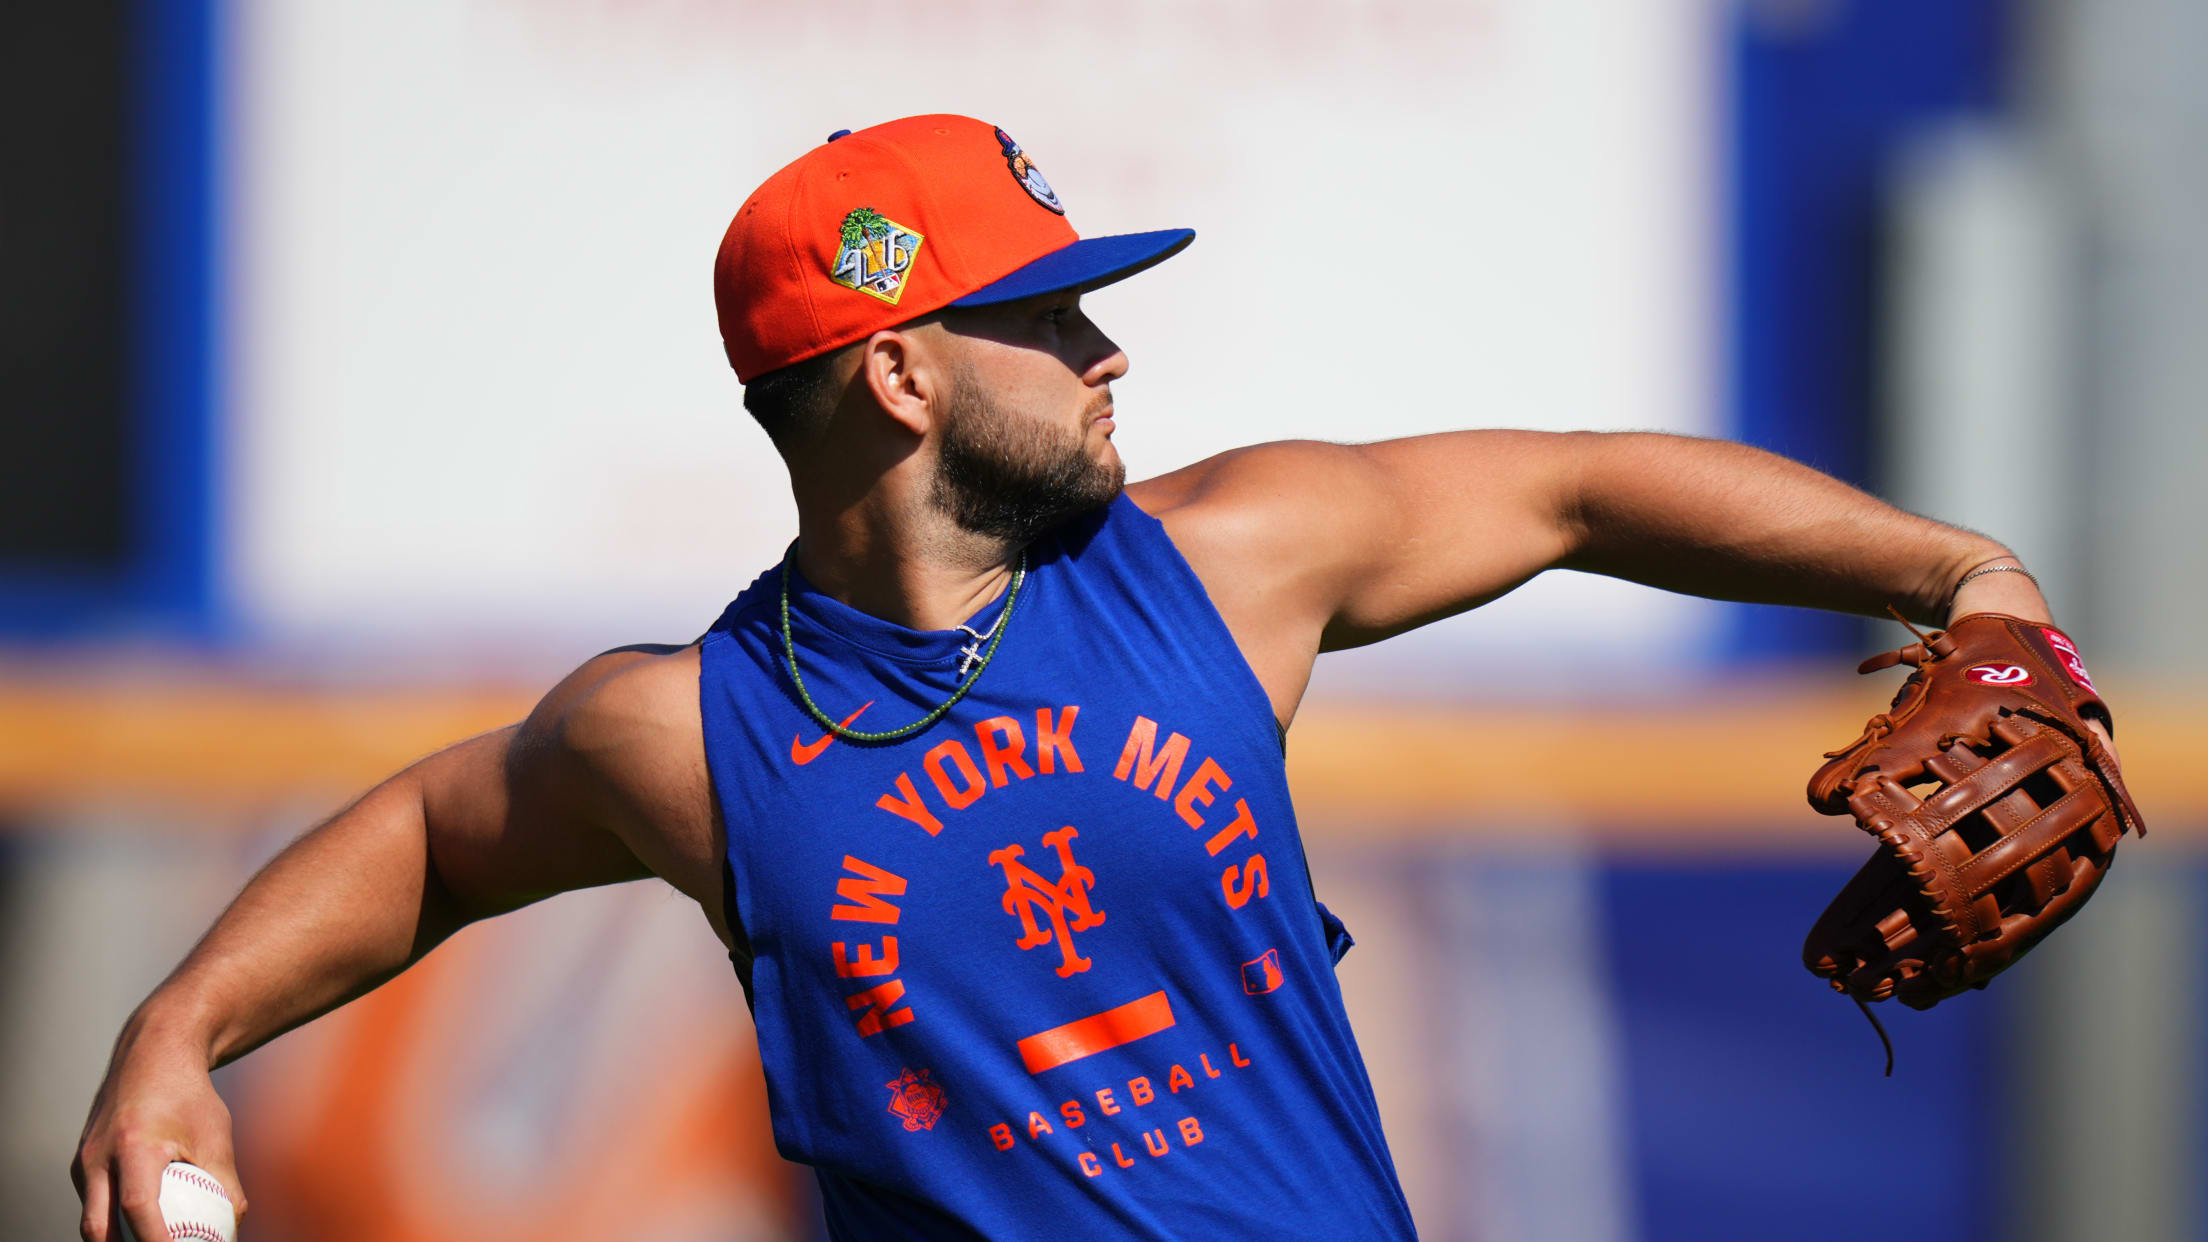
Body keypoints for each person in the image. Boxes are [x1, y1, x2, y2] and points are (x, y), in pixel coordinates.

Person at [72, 114, 2113, 1241]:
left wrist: (1963, 576)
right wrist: (179, 1033)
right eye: (1047, 318)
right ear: (900, 371)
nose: (1105, 350)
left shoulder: (1229, 564)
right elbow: (429, 842)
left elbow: (1577, 490)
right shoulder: (690, 731)